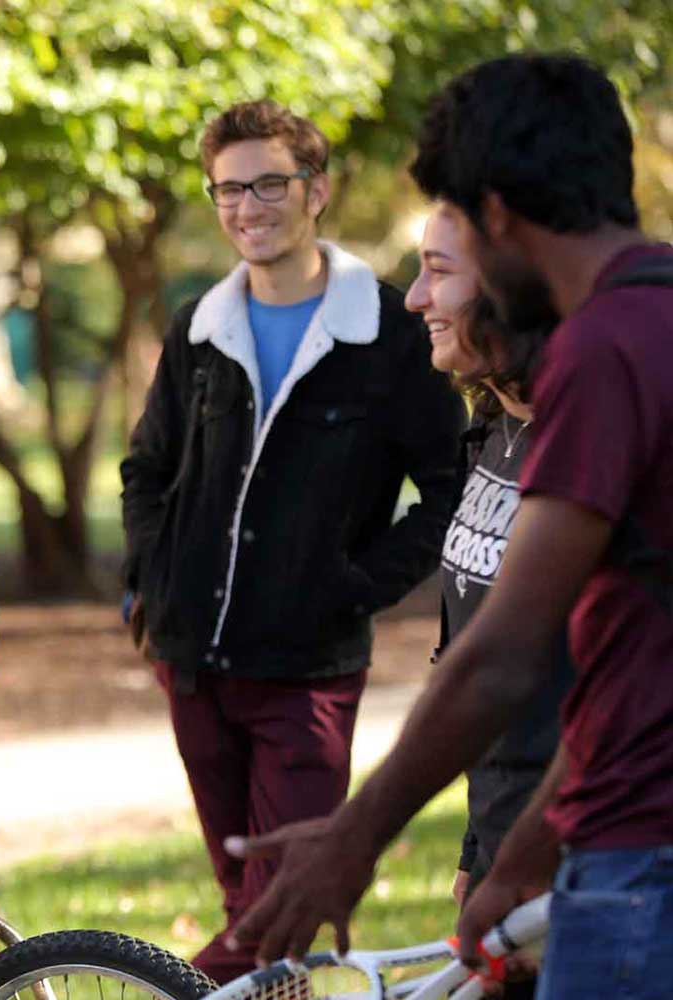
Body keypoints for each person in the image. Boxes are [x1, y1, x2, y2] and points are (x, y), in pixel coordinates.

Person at [229, 54, 673, 996]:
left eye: (456, 232)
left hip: (642, 878)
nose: (423, 294)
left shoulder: (604, 350)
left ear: (499, 214)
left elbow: (506, 654)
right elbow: (635, 673)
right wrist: (518, 859)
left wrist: (354, 838)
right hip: (602, 845)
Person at [119, 98, 463, 983]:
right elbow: (147, 472)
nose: (247, 207)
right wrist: (152, 587)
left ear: (317, 190)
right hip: (192, 665)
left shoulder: (388, 334)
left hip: (307, 673)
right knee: (249, 905)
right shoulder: (199, 325)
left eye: (269, 183)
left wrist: (351, 585)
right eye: (228, 189)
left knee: (279, 912)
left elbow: (450, 489)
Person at [405, 205, 574, 998]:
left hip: (579, 853)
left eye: (437, 271)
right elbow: (467, 655)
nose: (414, 297)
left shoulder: (582, 449)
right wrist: (478, 852)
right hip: (505, 835)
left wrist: (529, 860)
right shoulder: (491, 428)